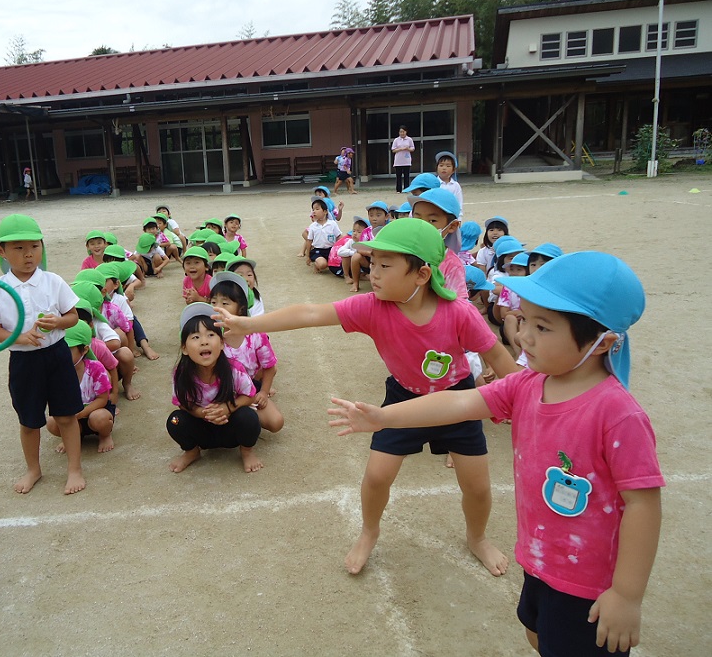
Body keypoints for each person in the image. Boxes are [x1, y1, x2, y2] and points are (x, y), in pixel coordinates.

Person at [329, 251, 663, 657]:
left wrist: (626, 595)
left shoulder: (618, 414)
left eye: (542, 327)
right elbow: (455, 404)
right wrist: (383, 416)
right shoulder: (528, 385)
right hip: (539, 561)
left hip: (591, 586)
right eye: (524, 321)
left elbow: (643, 504)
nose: (523, 338)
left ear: (602, 343)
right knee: (538, 636)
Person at [215, 219, 519, 576]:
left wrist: (524, 396)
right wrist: (247, 324)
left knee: (477, 486)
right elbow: (312, 313)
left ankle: (477, 537)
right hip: (403, 398)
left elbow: (498, 357)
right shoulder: (373, 307)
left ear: (421, 275)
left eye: (385, 265)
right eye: (372, 262)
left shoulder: (459, 313)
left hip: (457, 401)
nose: (373, 272)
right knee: (376, 477)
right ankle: (369, 532)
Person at [0, 214, 86, 495]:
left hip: (57, 356)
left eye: (35, 246)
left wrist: (58, 322)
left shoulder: (53, 281)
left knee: (66, 416)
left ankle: (74, 469)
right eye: (18, 248)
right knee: (28, 420)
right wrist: (19, 337)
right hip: (23, 361)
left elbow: (73, 316)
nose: (28, 254)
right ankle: (33, 469)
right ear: (1, 251)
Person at [166, 303, 262, 473]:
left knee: (249, 417)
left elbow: (250, 396)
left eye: (210, 335)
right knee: (175, 420)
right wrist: (203, 413)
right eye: (195, 337)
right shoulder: (180, 374)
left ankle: (246, 451)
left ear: (222, 343)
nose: (204, 342)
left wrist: (226, 408)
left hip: (229, 426)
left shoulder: (233, 369)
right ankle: (192, 451)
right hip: (202, 429)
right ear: (184, 348)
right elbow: (182, 404)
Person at [209, 272, 283, 433]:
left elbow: (270, 367)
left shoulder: (255, 334)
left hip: (249, 389)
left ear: (241, 307)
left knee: (276, 422)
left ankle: (240, 416)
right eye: (213, 302)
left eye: (225, 303)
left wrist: (263, 391)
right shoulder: (210, 334)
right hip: (219, 391)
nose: (218, 307)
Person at [46, 321, 116, 454]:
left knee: (99, 418)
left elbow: (103, 399)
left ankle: (105, 435)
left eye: (68, 349)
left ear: (84, 350)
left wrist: (81, 414)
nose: (62, 354)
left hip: (96, 409)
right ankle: (72, 437)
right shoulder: (56, 372)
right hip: (72, 415)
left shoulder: (96, 368)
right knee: (51, 422)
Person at [408, 189, 467, 300]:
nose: (423, 225)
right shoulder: (404, 252)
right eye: (418, 218)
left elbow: (459, 304)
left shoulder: (452, 265)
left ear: (452, 226)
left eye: (432, 220)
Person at [347, 201, 391, 292]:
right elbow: (360, 248)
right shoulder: (367, 231)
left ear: (387, 216)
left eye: (378, 215)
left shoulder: (389, 230)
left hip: (386, 260)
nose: (374, 218)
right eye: (371, 215)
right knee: (356, 257)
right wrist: (370, 253)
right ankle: (355, 283)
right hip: (369, 260)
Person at [305, 198, 342, 274]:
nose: (314, 211)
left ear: (325, 212)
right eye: (313, 209)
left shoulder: (332, 224)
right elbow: (309, 241)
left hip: (331, 250)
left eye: (317, 209)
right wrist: (308, 256)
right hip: (318, 251)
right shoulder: (313, 226)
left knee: (339, 263)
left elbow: (339, 236)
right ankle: (317, 263)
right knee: (323, 265)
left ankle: (327, 262)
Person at [391, 126, 415, 193]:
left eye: (403, 132)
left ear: (406, 132)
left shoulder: (409, 139)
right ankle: (398, 189)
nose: (402, 133)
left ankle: (406, 189)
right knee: (398, 176)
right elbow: (393, 150)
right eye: (400, 132)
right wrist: (400, 149)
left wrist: (408, 149)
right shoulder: (396, 140)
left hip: (406, 160)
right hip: (398, 161)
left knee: (406, 176)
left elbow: (412, 148)